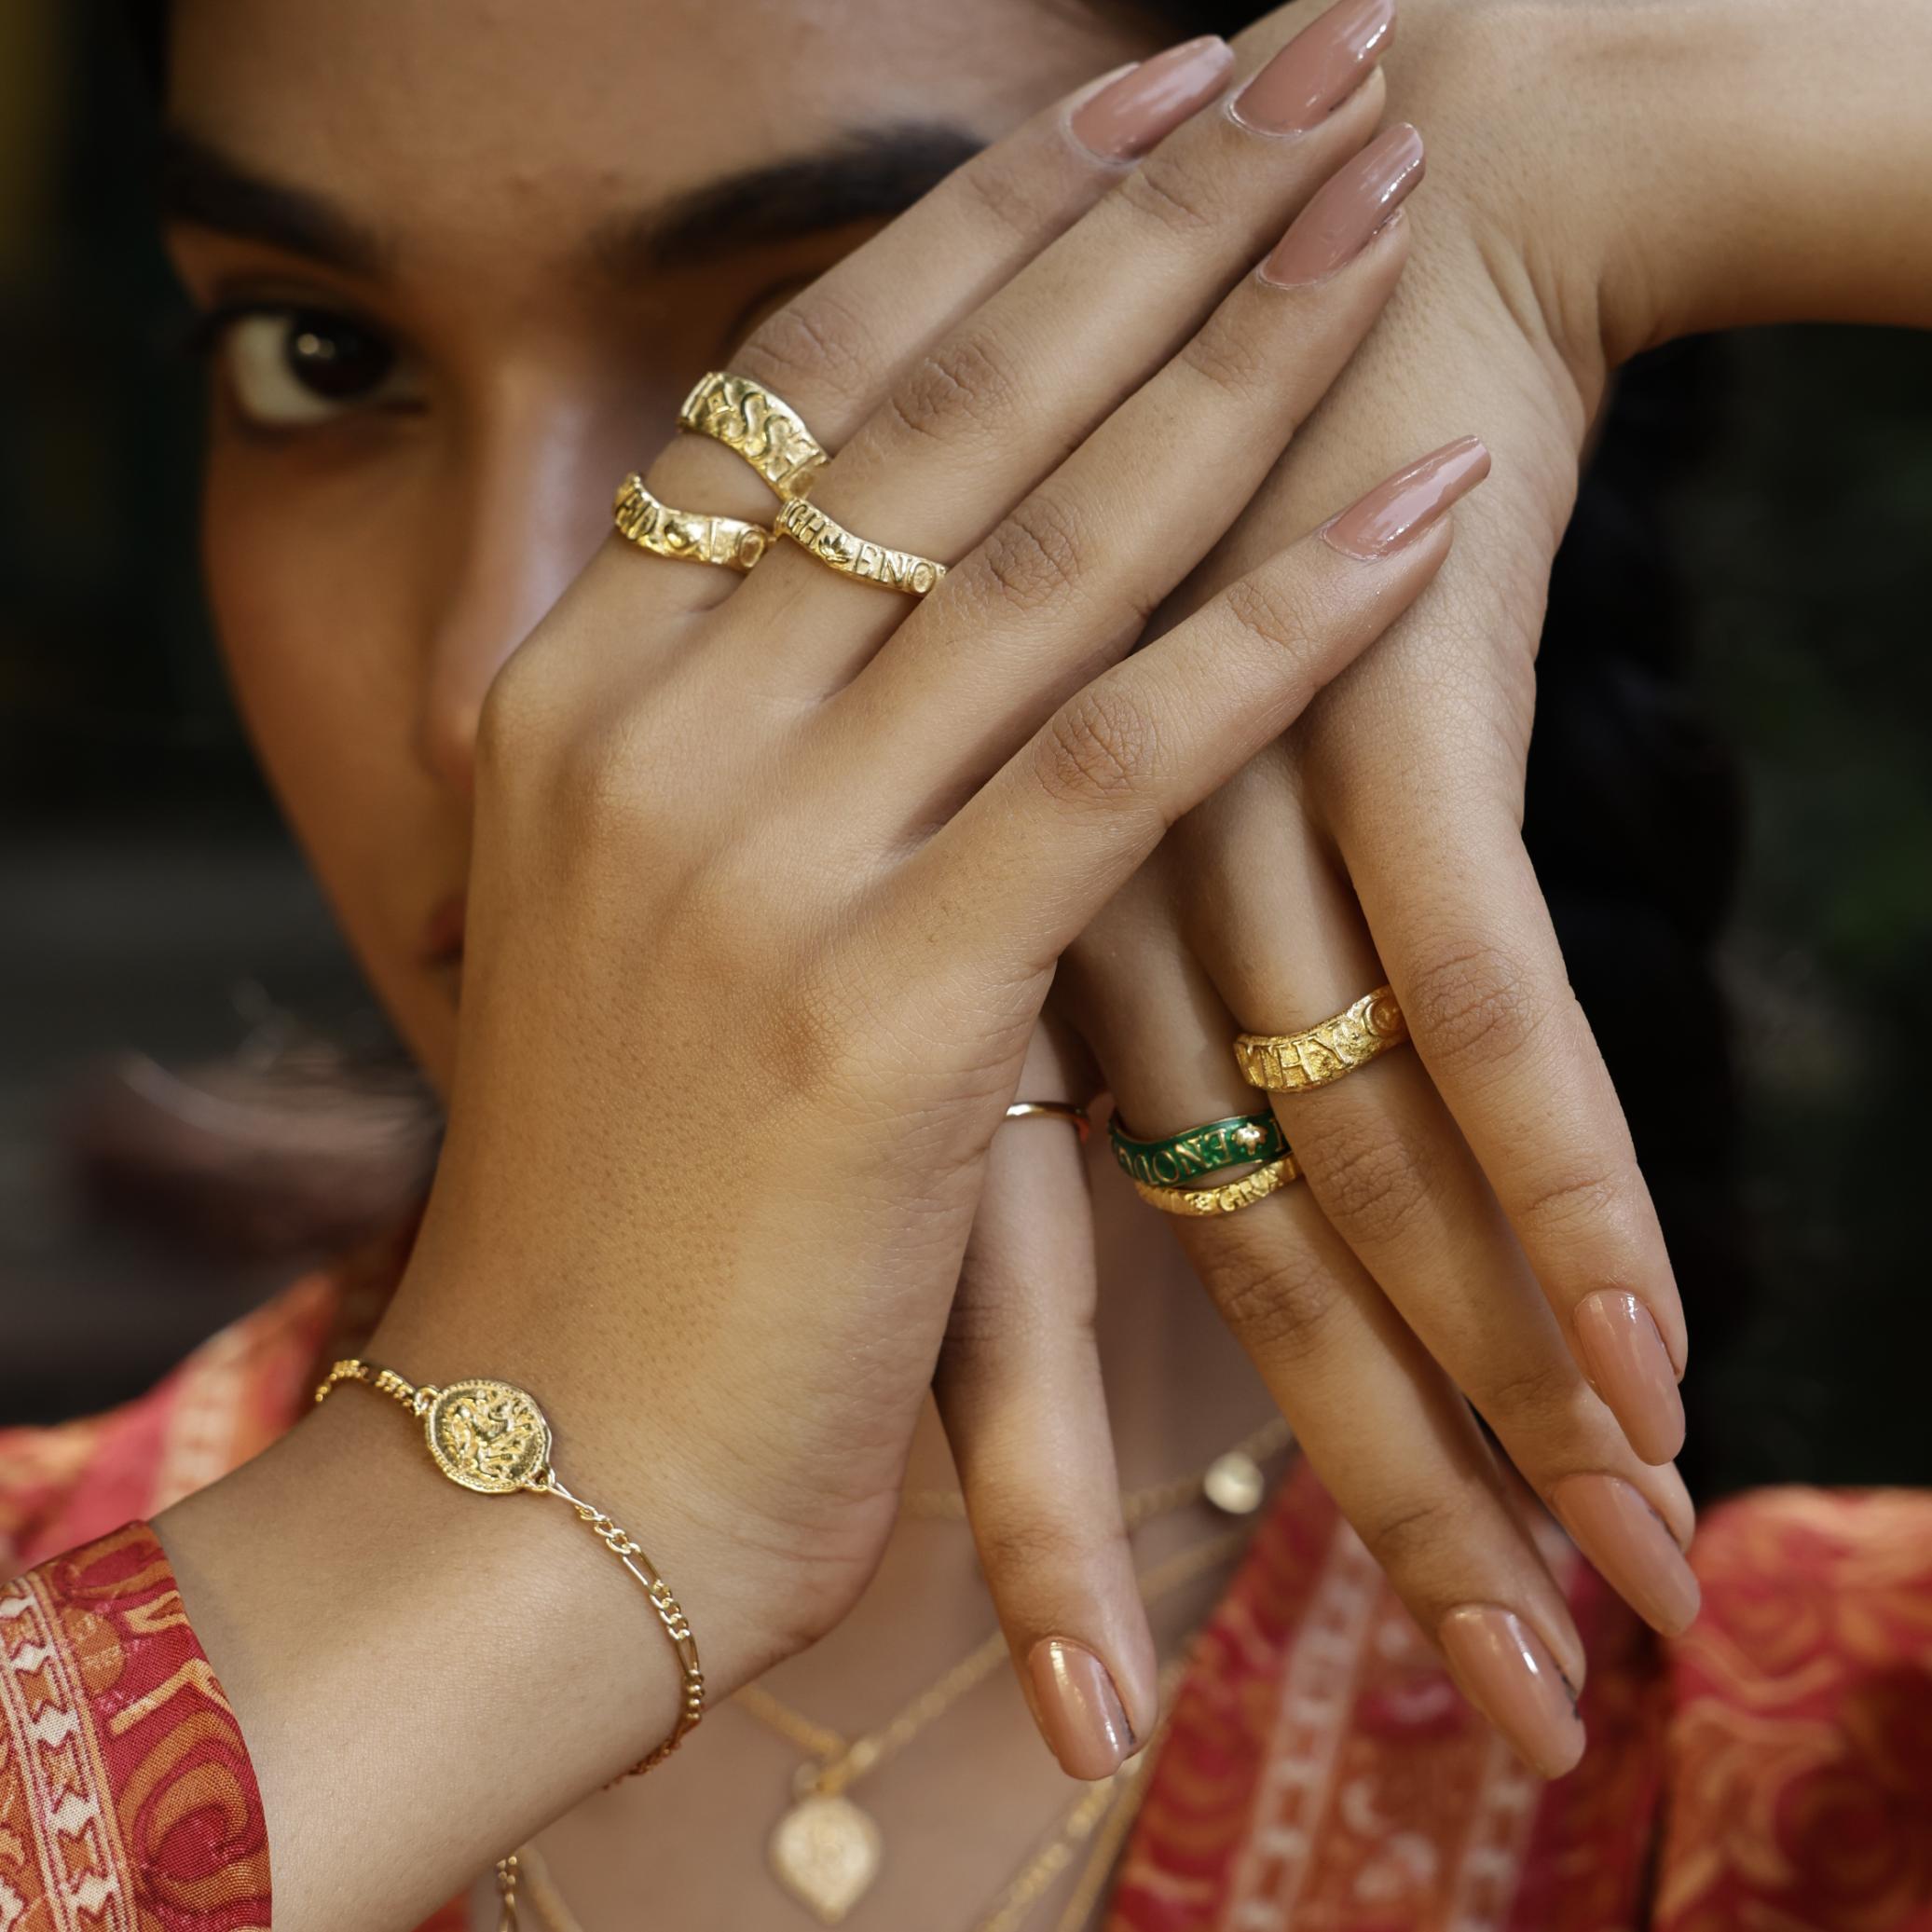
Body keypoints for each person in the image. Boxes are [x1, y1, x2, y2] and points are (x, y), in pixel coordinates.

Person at [3, 1, 1928, 1927]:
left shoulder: (1808, 1763)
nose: (497, 696)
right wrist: (477, 1540)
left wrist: (1618, 122)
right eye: (316, 356)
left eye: (835, 331)